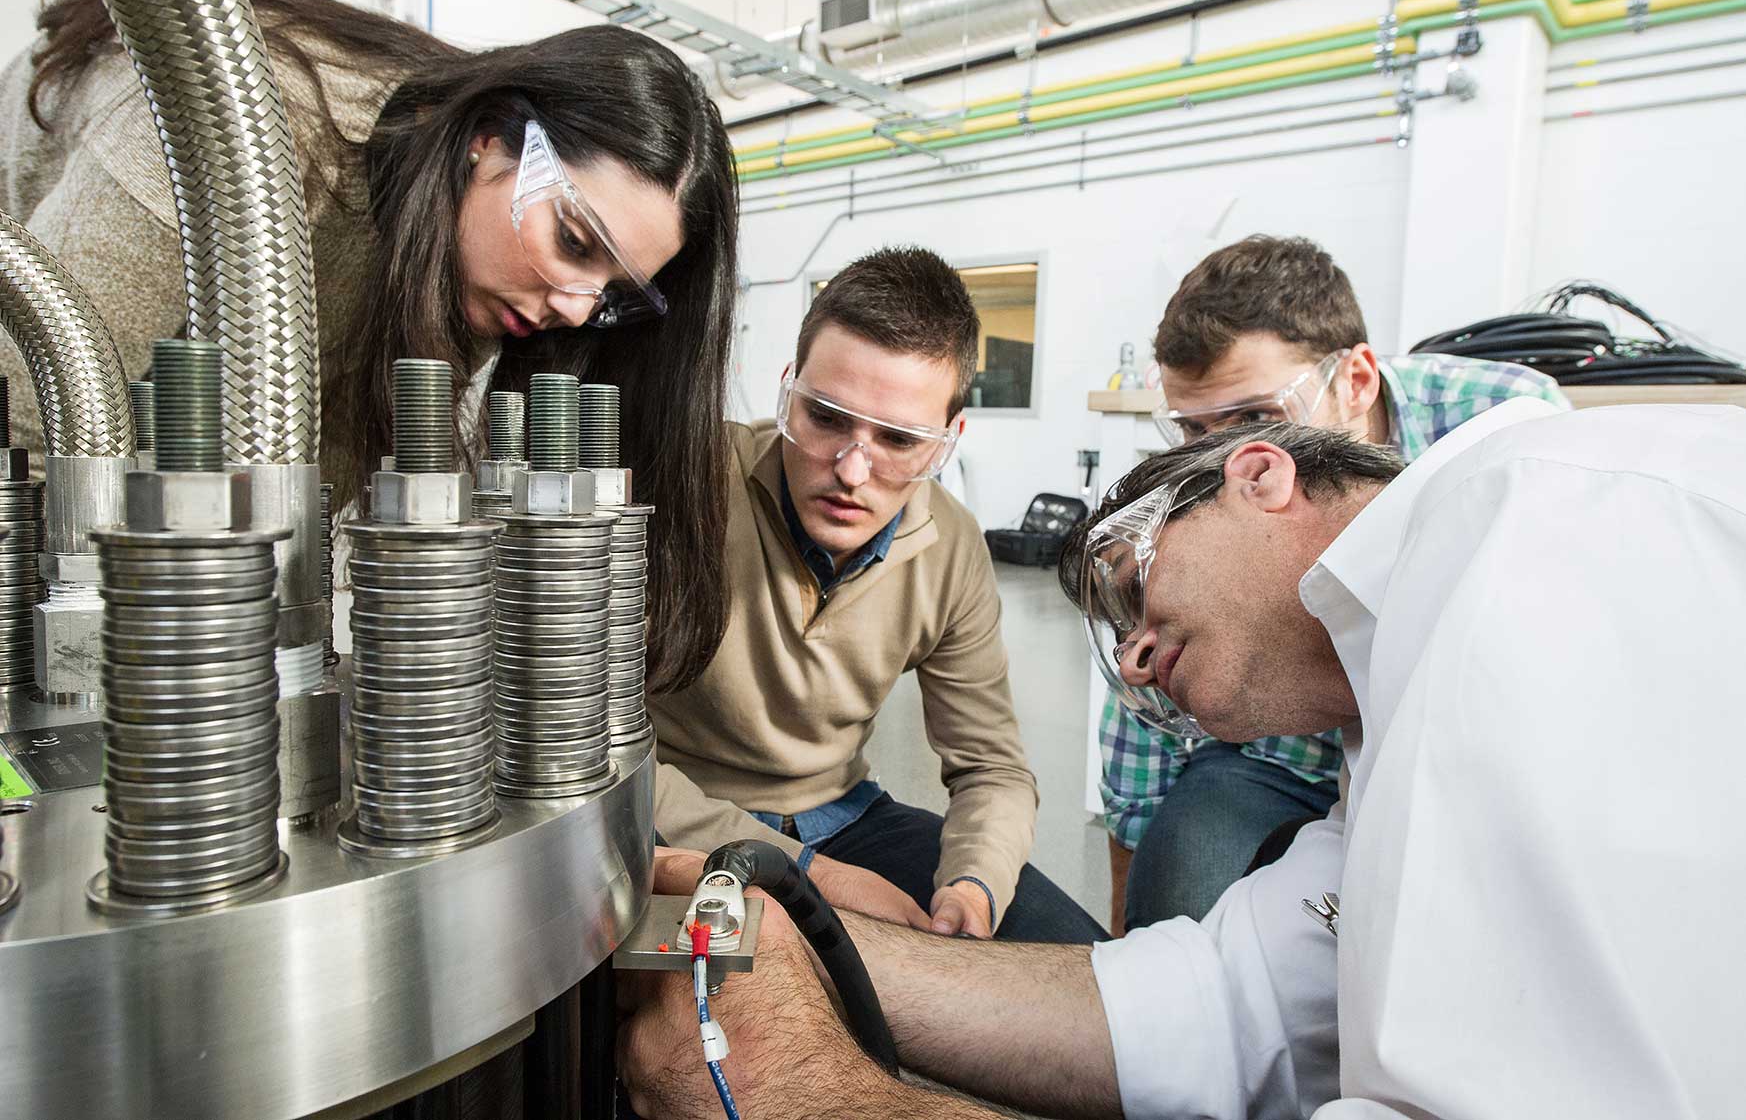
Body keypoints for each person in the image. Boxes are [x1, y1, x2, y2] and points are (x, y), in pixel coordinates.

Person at [620, 399, 1746, 1118]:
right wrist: (812, 941)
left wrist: (820, 1097)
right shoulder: (1387, 714)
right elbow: (1221, 1006)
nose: (1140, 662)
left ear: (1259, 475)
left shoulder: (1532, 528)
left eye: (1134, 590)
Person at [0, 0, 738, 694]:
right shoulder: (233, 137)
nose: (578, 310)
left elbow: (334, 503)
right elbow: (35, 429)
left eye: (612, 291)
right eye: (575, 243)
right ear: (489, 141)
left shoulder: (481, 271)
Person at [1102, 234, 1570, 930]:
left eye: (1257, 419)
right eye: (1192, 431)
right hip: (1271, 755)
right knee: (1182, 891)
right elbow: (1154, 652)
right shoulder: (1202, 482)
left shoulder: (1496, 429)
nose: (1222, 461)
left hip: (1437, 747)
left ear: (1355, 381)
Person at [649, 245, 1104, 943]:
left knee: (1076, 966)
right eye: (826, 417)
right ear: (787, 388)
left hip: (844, 817)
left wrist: (973, 886)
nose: (852, 471)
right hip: (676, 817)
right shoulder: (689, 485)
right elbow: (596, 752)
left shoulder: (951, 547)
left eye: (898, 439)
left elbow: (992, 768)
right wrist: (812, 877)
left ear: (948, 440)